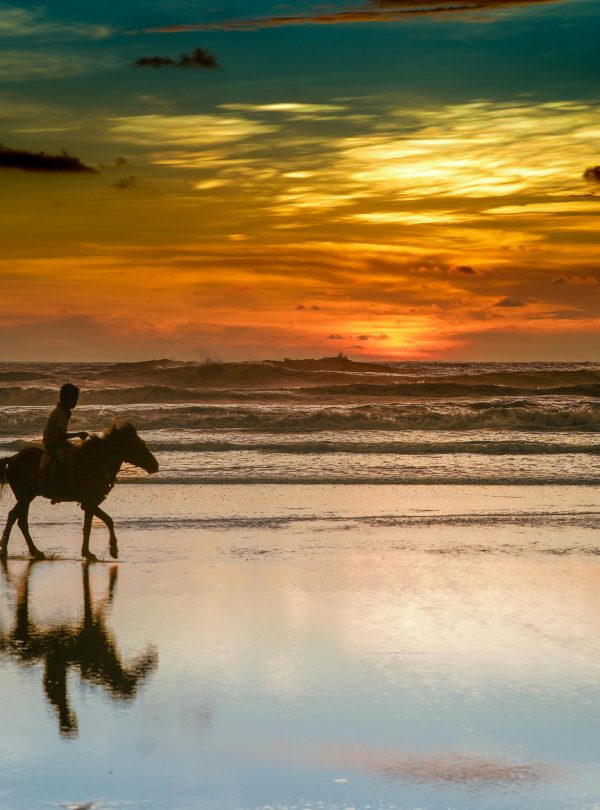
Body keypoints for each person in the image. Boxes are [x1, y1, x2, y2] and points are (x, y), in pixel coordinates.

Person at [42, 383, 88, 493]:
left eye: (76, 399)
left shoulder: (64, 411)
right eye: (74, 399)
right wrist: (78, 434)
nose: (75, 402)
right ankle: (54, 483)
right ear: (66, 399)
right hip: (52, 442)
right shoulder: (61, 413)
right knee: (62, 460)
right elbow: (60, 435)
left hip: (59, 441)